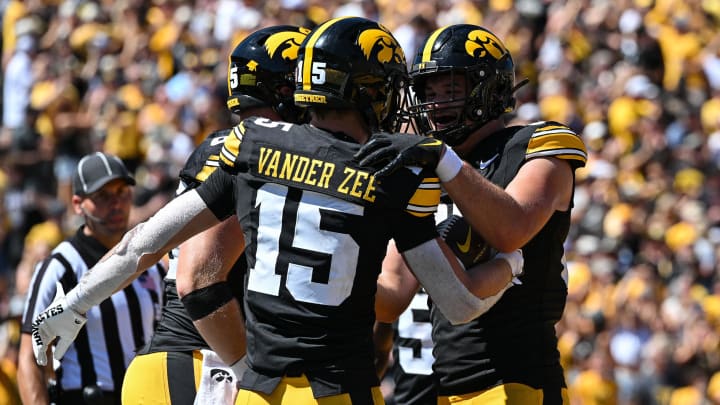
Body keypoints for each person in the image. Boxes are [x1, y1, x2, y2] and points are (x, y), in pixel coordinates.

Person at [29, 17, 523, 405]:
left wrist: (74, 305)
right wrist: (509, 263)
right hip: (299, 381)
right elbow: (455, 304)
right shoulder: (394, 169)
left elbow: (144, 242)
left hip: (248, 388)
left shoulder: (251, 146)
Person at [356, 24, 588, 404]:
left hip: (516, 383)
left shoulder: (538, 145)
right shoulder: (427, 166)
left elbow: (510, 229)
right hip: (447, 390)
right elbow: (392, 294)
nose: (437, 103)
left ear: (489, 88)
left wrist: (442, 161)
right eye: (428, 92)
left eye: (450, 89)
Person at [121, 25, 311, 405]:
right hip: (201, 364)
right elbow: (200, 280)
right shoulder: (257, 155)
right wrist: (249, 372)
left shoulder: (234, 146)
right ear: (289, 90)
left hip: (185, 361)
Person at [18, 151, 165, 405]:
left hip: (148, 396)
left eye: (123, 193)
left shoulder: (150, 262)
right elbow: (29, 358)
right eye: (103, 197)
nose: (116, 204)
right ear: (77, 204)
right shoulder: (61, 266)